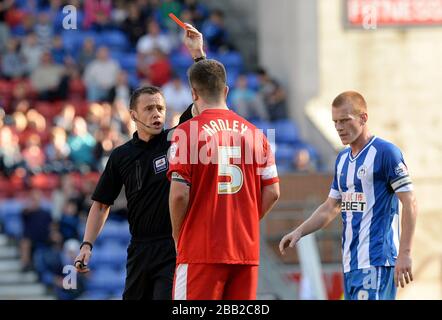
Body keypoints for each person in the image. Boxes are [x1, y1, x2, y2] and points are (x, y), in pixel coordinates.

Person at [73, 26, 206, 300]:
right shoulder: (121, 155)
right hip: (139, 249)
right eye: (149, 108)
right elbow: (101, 204)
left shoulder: (176, 137)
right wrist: (87, 244)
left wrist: (198, 56)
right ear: (133, 115)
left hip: (174, 246)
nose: (156, 114)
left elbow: (207, 99)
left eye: (160, 108)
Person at [167, 24, 280, 300]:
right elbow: (274, 192)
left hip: (200, 251)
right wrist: (243, 220)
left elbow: (179, 195)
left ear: (193, 94)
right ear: (227, 90)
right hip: (245, 252)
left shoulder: (187, 132)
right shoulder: (257, 135)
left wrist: (177, 235)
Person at [279, 91, 418, 300]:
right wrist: (300, 231)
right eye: (335, 122)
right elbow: (331, 206)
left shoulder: (386, 153)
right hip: (350, 264)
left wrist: (405, 253)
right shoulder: (342, 158)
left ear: (363, 118)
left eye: (345, 120)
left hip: (376, 261)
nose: (339, 127)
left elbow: (410, 202)